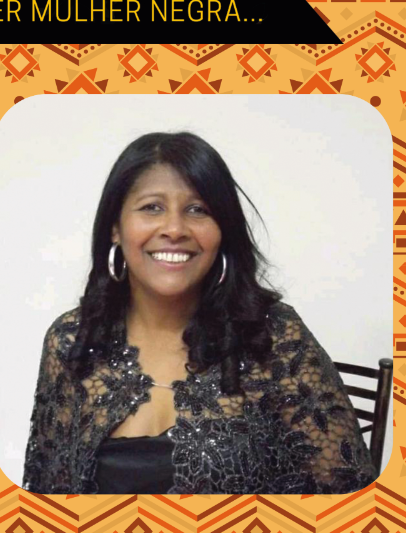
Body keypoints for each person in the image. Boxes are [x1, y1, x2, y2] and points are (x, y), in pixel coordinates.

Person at [22, 132, 377, 495]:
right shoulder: (72, 340)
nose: (175, 229)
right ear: (115, 227)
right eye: (152, 207)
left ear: (223, 230)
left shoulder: (274, 337)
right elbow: (49, 495)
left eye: (198, 210)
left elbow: (351, 497)